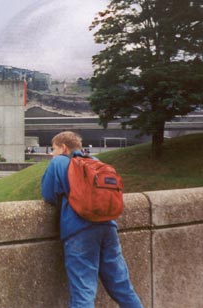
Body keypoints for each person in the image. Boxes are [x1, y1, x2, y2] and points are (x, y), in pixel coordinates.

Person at [41, 131, 143, 308]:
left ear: (63, 147)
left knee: (83, 292)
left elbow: (48, 195)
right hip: (108, 226)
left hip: (79, 229)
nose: (52, 153)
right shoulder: (95, 162)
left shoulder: (59, 162)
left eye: (54, 148)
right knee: (122, 286)